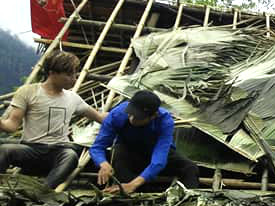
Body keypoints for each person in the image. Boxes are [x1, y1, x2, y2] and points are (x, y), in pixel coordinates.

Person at [0, 49, 105, 189]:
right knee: (6, 150)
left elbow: (99, 117)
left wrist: (122, 115)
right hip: (31, 150)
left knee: (70, 156)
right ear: (52, 73)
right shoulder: (28, 92)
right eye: (69, 74)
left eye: (74, 73)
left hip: (58, 153)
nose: (74, 78)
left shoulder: (73, 98)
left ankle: (43, 191)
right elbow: (11, 125)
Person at [90, 90, 198, 194]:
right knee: (119, 158)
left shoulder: (164, 121)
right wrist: (103, 163)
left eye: (138, 117)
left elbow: (159, 160)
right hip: (128, 151)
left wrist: (133, 184)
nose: (132, 119)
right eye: (130, 113)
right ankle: (138, 191)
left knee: (190, 168)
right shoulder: (117, 114)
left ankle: (187, 199)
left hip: (154, 150)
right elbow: (97, 147)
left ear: (153, 116)